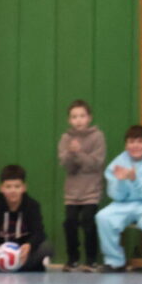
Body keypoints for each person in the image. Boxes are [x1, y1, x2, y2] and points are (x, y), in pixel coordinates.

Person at [95, 125, 142, 273]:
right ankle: (114, 261)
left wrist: (135, 179)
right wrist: (121, 181)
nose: (135, 146)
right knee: (103, 217)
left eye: (140, 141)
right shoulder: (118, 162)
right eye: (131, 142)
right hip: (124, 204)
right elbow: (116, 196)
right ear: (126, 145)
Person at [0, 165, 52, 272]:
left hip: (22, 250)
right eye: (8, 187)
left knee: (46, 247)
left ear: (24, 188)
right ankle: (24, 266)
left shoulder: (32, 206)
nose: (13, 191)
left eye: (17, 186)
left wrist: (29, 245)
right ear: (1, 188)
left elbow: (39, 232)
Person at [58, 100, 106, 271]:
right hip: (72, 192)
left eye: (82, 116)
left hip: (91, 190)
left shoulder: (97, 136)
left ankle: (91, 260)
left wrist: (79, 153)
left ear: (89, 118)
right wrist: (71, 154)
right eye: (74, 117)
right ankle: (72, 259)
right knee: (69, 223)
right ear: (69, 120)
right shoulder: (65, 138)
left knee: (88, 223)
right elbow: (68, 167)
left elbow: (95, 164)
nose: (78, 120)